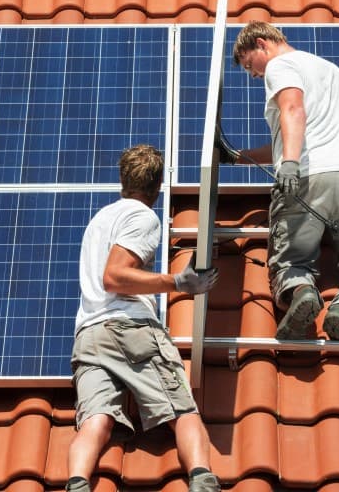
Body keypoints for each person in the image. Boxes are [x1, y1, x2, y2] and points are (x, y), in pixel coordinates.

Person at [223, 21, 339, 342]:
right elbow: (299, 128)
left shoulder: (281, 65)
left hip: (305, 178)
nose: (252, 74)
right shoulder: (329, 69)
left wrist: (289, 163)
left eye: (250, 64)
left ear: (262, 44)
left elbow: (292, 108)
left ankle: (301, 293)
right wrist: (238, 156)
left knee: (292, 258)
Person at [66, 144, 222, 492]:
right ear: (157, 186)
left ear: (122, 179)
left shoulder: (99, 220)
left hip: (89, 338)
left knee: (96, 420)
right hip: (129, 329)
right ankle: (202, 479)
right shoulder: (142, 217)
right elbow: (115, 277)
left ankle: (77, 483)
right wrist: (176, 283)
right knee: (183, 410)